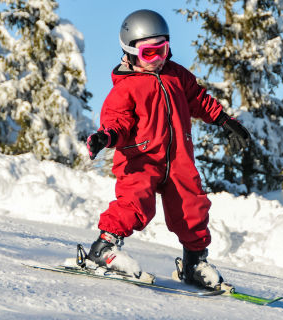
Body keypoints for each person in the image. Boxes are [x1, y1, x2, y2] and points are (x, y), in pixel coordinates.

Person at [85, 9, 251, 289]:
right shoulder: (125, 88)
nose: (159, 59)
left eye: (164, 50)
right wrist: (107, 136)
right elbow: (118, 120)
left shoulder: (176, 76)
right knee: (135, 202)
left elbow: (199, 99)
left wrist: (224, 120)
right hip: (141, 158)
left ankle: (194, 262)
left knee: (192, 207)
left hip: (179, 161)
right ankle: (103, 248)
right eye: (151, 53)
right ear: (131, 52)